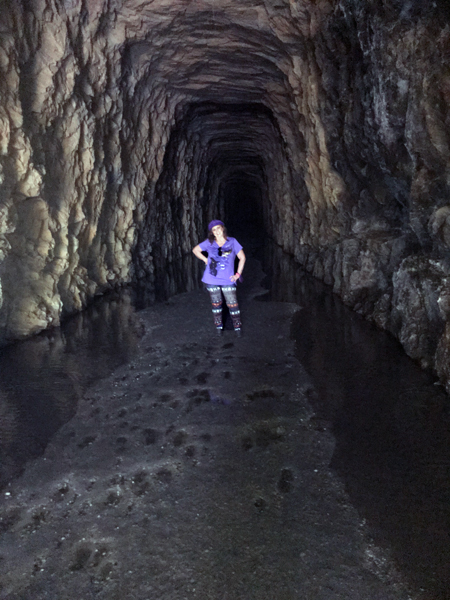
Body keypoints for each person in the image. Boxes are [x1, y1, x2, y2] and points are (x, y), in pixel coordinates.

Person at [192, 220, 246, 336]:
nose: (216, 231)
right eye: (213, 230)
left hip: (228, 279)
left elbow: (242, 257)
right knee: (216, 304)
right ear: (212, 232)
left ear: (222, 228)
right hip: (211, 279)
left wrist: (237, 274)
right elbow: (195, 250)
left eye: (218, 228)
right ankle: (218, 328)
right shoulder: (209, 243)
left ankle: (237, 327)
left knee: (232, 304)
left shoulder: (232, 241)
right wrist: (205, 259)